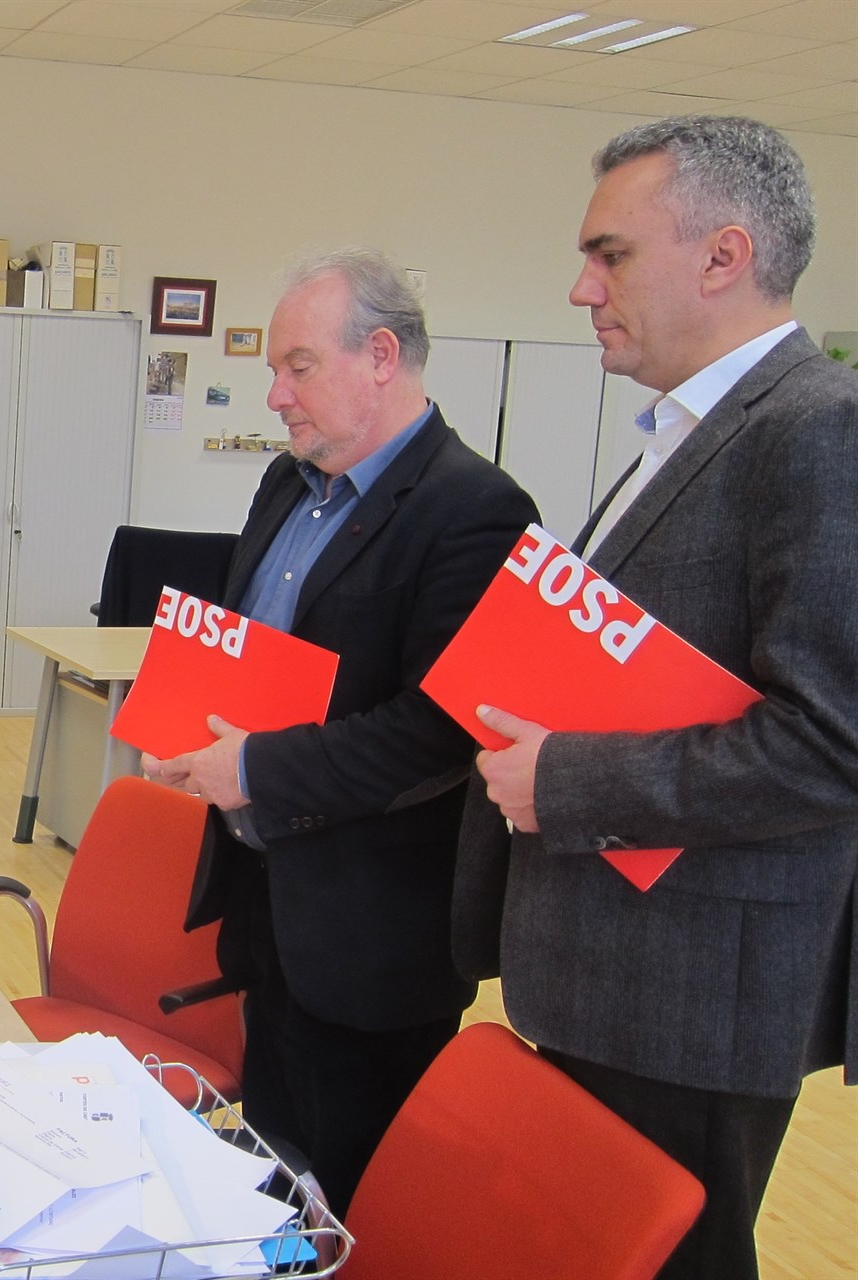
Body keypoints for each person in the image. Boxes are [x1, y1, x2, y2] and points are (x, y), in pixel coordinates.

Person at [459, 116, 858, 1280]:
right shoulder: (688, 431)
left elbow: (830, 743)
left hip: (695, 994)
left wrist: (568, 779)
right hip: (612, 968)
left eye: (612, 254)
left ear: (724, 257)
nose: (582, 287)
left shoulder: (818, 431)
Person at [142, 248, 537, 1210]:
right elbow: (250, 647)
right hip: (268, 896)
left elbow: (439, 732)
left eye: (298, 366)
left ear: (382, 357)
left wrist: (260, 770)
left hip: (372, 934)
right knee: (275, 1169)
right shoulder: (288, 484)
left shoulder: (475, 510)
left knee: (353, 1200)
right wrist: (189, 734)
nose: (275, 393)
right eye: (273, 369)